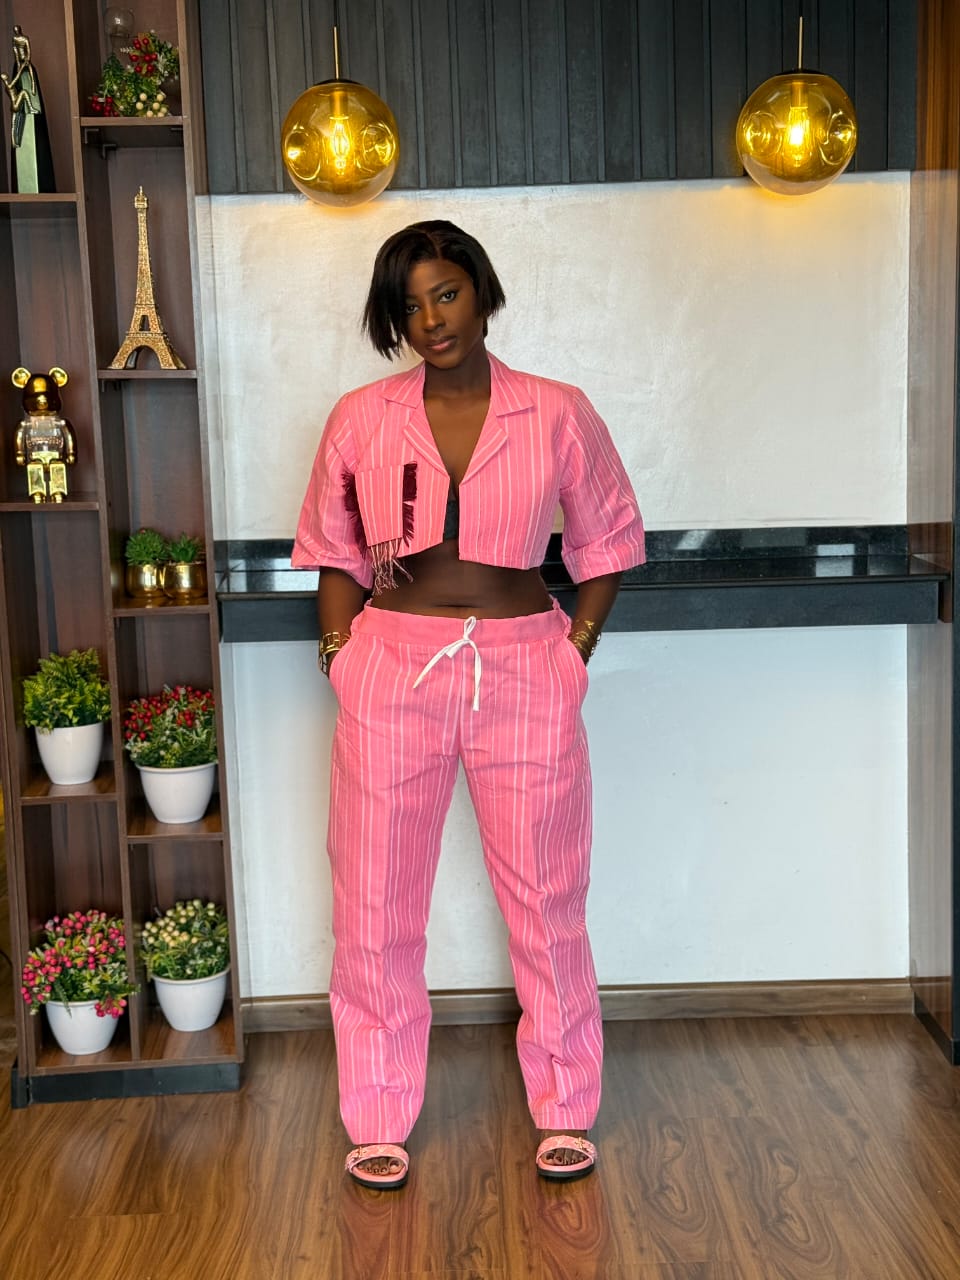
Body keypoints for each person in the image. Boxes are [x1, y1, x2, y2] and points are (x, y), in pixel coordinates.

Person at [293, 220, 645, 1189]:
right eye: (409, 305)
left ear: (480, 291)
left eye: (445, 293)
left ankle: (566, 1104)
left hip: (525, 663)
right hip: (391, 666)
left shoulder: (557, 411)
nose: (431, 320)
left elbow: (609, 540)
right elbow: (334, 553)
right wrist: (341, 655)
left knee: (546, 897)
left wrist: (574, 649)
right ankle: (376, 1111)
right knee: (373, 903)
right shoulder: (360, 416)